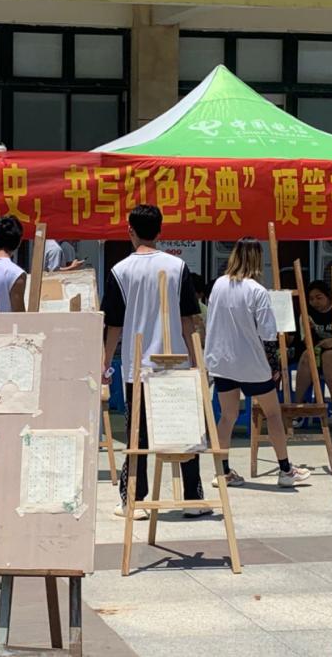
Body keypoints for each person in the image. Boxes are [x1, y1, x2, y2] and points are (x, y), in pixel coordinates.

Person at [101, 204, 208, 520]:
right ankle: (192, 499)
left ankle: (133, 500)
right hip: (176, 361)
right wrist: (195, 361)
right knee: (185, 431)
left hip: (138, 364)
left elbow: (114, 324)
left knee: (138, 435)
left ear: (130, 230)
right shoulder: (177, 266)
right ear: (160, 231)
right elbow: (189, 319)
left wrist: (105, 362)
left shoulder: (121, 270)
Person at [204, 239, 311, 488]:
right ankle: (285, 469)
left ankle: (222, 471)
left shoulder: (218, 285)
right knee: (273, 414)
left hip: (222, 360)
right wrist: (274, 366)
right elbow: (268, 334)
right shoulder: (257, 291)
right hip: (252, 363)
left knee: (227, 416)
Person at [294, 279, 332, 403]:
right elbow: (304, 342)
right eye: (311, 299)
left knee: (329, 356)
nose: (315, 302)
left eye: (319, 298)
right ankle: (298, 404)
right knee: (307, 355)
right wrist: (309, 331)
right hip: (317, 351)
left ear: (328, 297)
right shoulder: (307, 313)